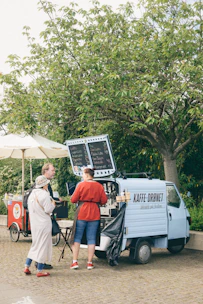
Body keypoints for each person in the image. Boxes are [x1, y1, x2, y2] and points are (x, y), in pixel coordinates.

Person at [70, 167, 107, 270]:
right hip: (95, 213)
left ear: (86, 175)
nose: (82, 176)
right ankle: (90, 262)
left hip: (82, 212)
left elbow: (73, 199)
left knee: (76, 237)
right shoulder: (99, 186)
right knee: (91, 238)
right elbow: (104, 200)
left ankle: (75, 261)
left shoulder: (81, 185)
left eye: (82, 174)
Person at [23, 175, 56, 277]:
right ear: (44, 185)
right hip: (44, 223)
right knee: (43, 246)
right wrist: (53, 204)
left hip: (34, 223)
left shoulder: (32, 194)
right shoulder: (44, 195)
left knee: (35, 244)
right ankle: (40, 270)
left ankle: (27, 266)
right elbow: (48, 209)